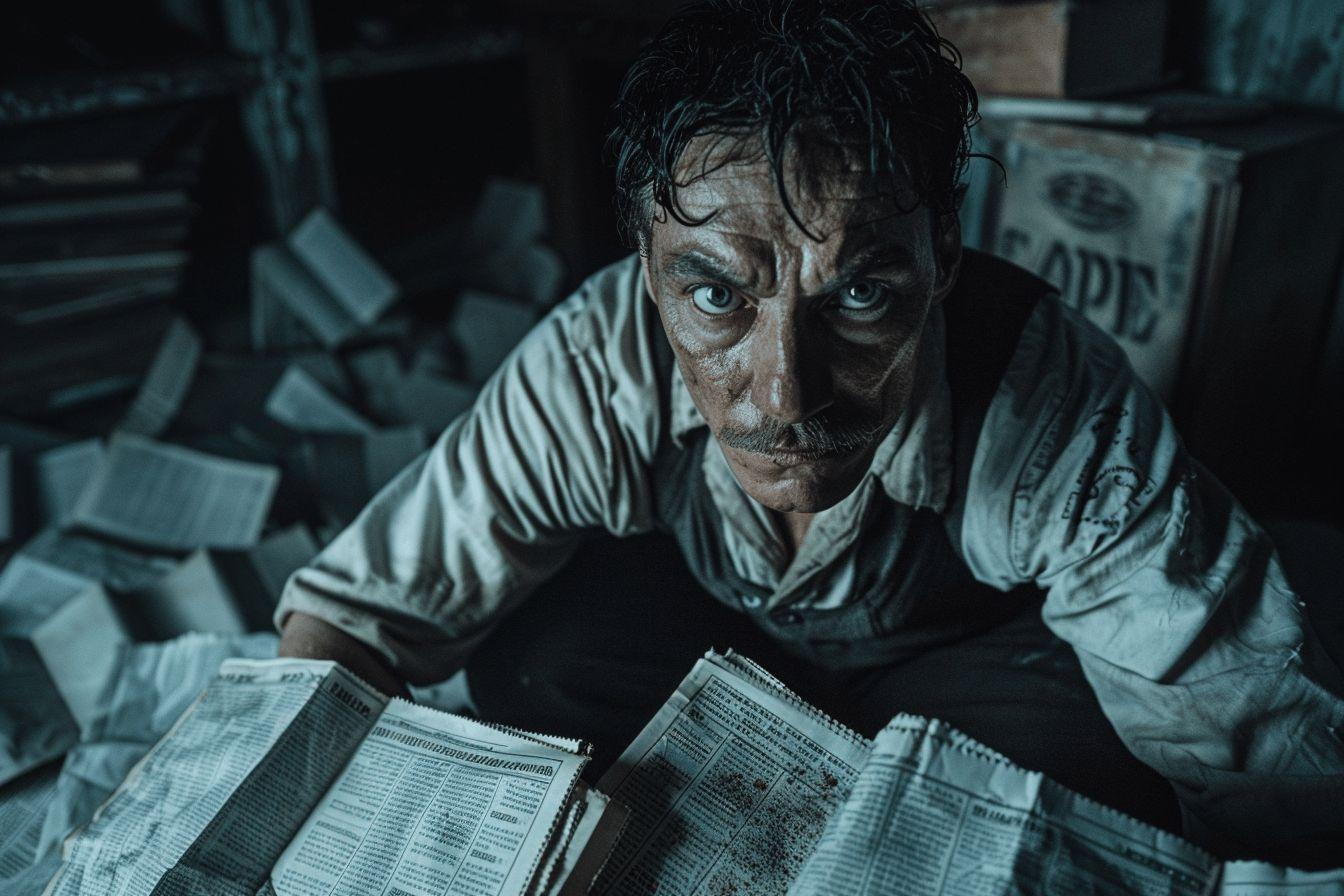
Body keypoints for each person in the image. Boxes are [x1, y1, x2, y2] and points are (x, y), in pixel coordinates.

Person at [276, 0, 1344, 867]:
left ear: (946, 259)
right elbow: (352, 614)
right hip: (719, 645)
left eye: (866, 292)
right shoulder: (594, 358)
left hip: (960, 678)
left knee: (1109, 756)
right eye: (715, 295)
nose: (785, 393)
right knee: (529, 664)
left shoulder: (1056, 404)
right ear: (646, 274)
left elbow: (1262, 759)